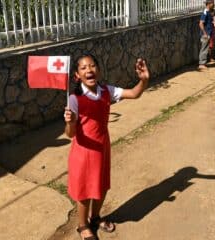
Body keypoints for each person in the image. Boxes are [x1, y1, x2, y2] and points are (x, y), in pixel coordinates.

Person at [64, 54, 150, 240]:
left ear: (99, 70)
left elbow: (134, 93)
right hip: (84, 151)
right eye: (84, 68)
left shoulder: (106, 91)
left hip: (103, 147)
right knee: (85, 191)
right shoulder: (74, 99)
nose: (89, 70)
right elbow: (70, 134)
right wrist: (70, 122)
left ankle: (95, 217)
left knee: (102, 186)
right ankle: (82, 225)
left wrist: (143, 81)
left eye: (93, 66)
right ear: (77, 76)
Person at [198, 0, 215, 70]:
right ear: (208, 4)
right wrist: (205, 34)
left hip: (208, 33)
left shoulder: (209, 12)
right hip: (205, 34)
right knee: (204, 49)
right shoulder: (205, 13)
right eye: (212, 3)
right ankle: (201, 64)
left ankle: (203, 63)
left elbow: (210, 23)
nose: (214, 4)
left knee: (206, 48)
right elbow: (201, 23)